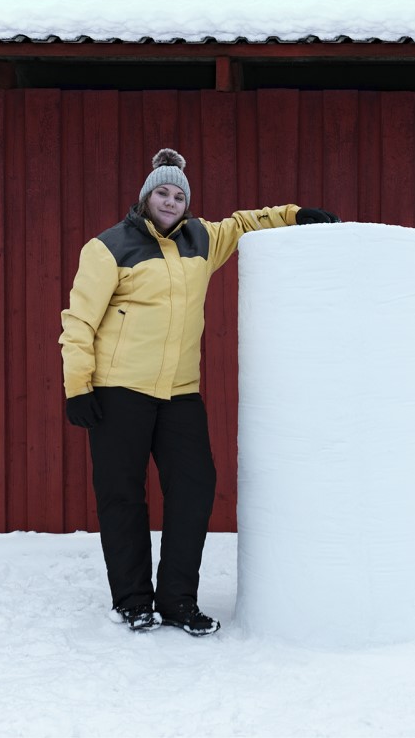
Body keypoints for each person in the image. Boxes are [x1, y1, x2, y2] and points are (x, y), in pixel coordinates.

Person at [59, 148, 339, 635]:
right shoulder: (107, 248)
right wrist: (77, 387)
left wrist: (295, 215)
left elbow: (245, 223)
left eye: (179, 195)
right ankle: (132, 600)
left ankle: (177, 601)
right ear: (146, 197)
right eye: (162, 193)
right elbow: (79, 320)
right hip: (118, 389)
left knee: (193, 489)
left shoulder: (201, 239)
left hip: (179, 393)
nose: (170, 201)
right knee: (122, 496)